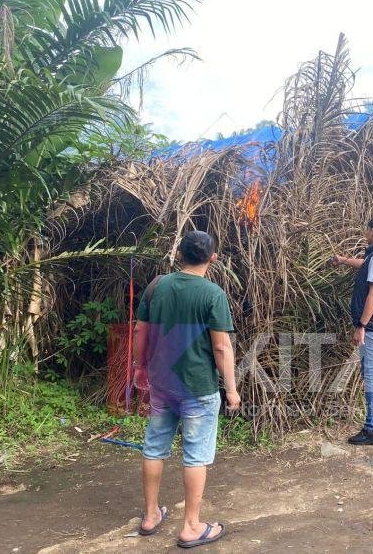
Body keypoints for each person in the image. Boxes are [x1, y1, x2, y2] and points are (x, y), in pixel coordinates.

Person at [132, 230, 241, 549]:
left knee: (154, 447)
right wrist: (231, 389)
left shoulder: (156, 286)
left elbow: (140, 329)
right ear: (213, 258)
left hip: (162, 383)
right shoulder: (213, 294)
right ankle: (191, 526)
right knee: (196, 455)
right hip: (198, 387)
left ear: (179, 254)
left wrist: (140, 367)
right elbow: (221, 348)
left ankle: (151, 515)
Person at [331, 215, 373, 445]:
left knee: (371, 374)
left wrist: (361, 325)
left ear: (372, 231)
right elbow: (366, 265)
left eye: (367, 229)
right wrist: (343, 259)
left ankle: (372, 429)